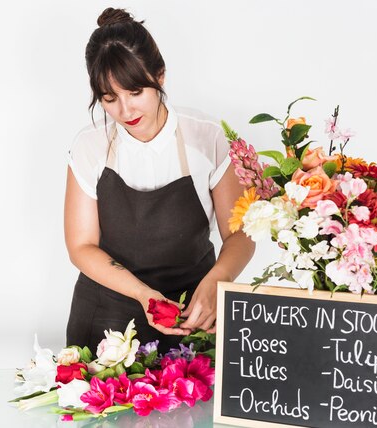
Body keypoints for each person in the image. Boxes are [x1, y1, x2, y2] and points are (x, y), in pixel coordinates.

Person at [64, 7, 255, 352]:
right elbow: (81, 246)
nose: (126, 111)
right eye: (110, 99)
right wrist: (141, 293)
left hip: (195, 311)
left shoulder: (207, 137)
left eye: (135, 92)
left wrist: (218, 281)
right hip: (109, 316)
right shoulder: (89, 146)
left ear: (160, 76)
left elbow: (241, 233)